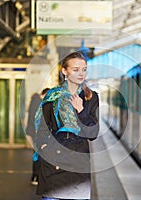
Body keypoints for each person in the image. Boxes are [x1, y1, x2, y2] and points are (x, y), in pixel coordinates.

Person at [34, 51, 99, 200]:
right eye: (75, 70)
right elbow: (41, 129)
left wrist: (81, 110)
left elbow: (93, 133)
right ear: (64, 71)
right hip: (53, 164)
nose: (80, 73)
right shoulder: (52, 96)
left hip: (78, 165)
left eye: (84, 69)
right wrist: (45, 147)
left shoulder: (91, 97)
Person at [26, 88, 49, 185]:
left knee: (38, 154)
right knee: (37, 155)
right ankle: (35, 176)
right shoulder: (37, 103)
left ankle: (37, 176)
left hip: (35, 133)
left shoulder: (36, 101)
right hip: (36, 133)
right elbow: (35, 119)